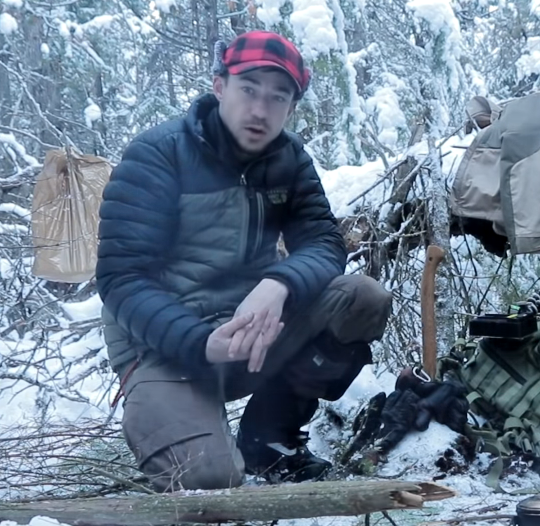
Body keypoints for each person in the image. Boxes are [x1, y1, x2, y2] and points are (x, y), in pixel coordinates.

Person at [95, 30, 393, 492]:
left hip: (250, 330)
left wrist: (279, 283)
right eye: (248, 90)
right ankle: (188, 429)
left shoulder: (288, 159)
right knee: (207, 481)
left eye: (278, 97)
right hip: (163, 348)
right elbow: (121, 279)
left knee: (362, 298)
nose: (260, 110)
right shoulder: (159, 154)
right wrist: (198, 342)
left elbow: (324, 242)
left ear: (292, 107)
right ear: (219, 87)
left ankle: (269, 442)